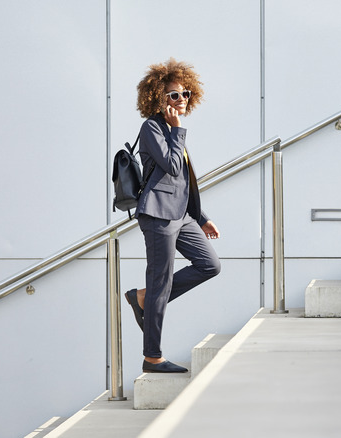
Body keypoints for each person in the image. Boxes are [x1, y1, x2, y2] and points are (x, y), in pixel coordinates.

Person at [124, 58, 221, 373]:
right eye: (174, 95)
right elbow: (173, 167)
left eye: (185, 95)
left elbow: (184, 182)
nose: (181, 100)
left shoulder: (173, 129)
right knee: (161, 282)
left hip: (182, 215)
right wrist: (177, 131)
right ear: (158, 97)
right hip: (157, 215)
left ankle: (142, 297)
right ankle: (152, 358)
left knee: (210, 265)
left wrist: (201, 216)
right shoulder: (152, 127)